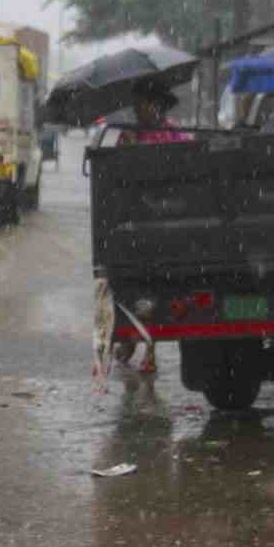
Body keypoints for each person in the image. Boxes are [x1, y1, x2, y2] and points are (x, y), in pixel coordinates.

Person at [111, 81, 192, 375]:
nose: (139, 109)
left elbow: (186, 173)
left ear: (158, 105)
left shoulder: (174, 135)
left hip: (164, 225)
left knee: (157, 290)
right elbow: (116, 176)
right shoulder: (128, 136)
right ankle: (130, 341)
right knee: (132, 288)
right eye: (136, 104)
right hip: (136, 225)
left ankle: (149, 351)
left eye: (144, 103)